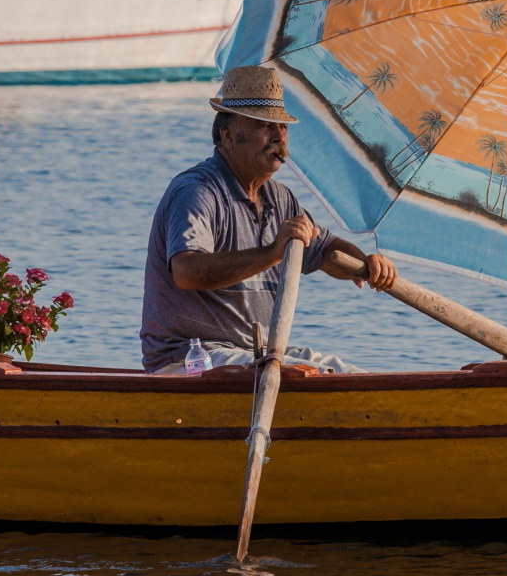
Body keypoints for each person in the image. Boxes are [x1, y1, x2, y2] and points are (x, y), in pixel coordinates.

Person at [141, 65, 397, 374]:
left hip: (256, 355)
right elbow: (187, 272)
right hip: (191, 358)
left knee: (349, 375)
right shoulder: (197, 191)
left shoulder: (280, 198)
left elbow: (326, 250)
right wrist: (272, 252)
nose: (278, 136)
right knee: (307, 377)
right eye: (264, 125)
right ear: (227, 135)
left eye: (283, 127)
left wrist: (369, 264)